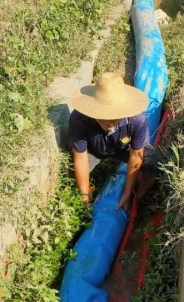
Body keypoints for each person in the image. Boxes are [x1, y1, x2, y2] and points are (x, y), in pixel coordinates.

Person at [68, 72, 159, 211]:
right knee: (72, 174)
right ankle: (88, 199)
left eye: (112, 117)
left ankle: (136, 201)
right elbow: (80, 158)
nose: (107, 122)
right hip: (93, 150)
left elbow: (136, 156)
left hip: (125, 148)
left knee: (154, 165)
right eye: (102, 117)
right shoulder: (79, 118)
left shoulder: (137, 119)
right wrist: (84, 198)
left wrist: (127, 193)